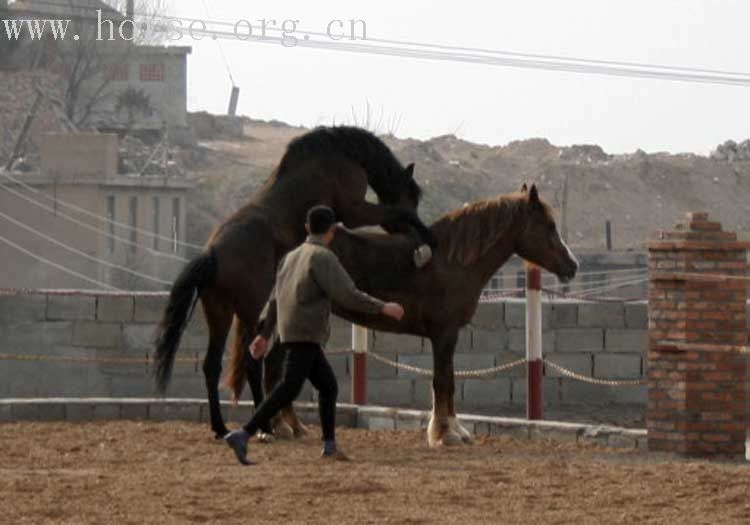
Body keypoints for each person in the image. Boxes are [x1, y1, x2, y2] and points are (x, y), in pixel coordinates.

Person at [224, 205, 405, 465]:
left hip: (292, 331)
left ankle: (329, 446)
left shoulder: (291, 256)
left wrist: (265, 334)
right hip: (305, 333)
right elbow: (347, 294)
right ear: (333, 231)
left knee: (327, 386)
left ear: (308, 228)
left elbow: (275, 299)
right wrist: (383, 307)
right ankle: (244, 433)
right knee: (288, 388)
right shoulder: (322, 257)